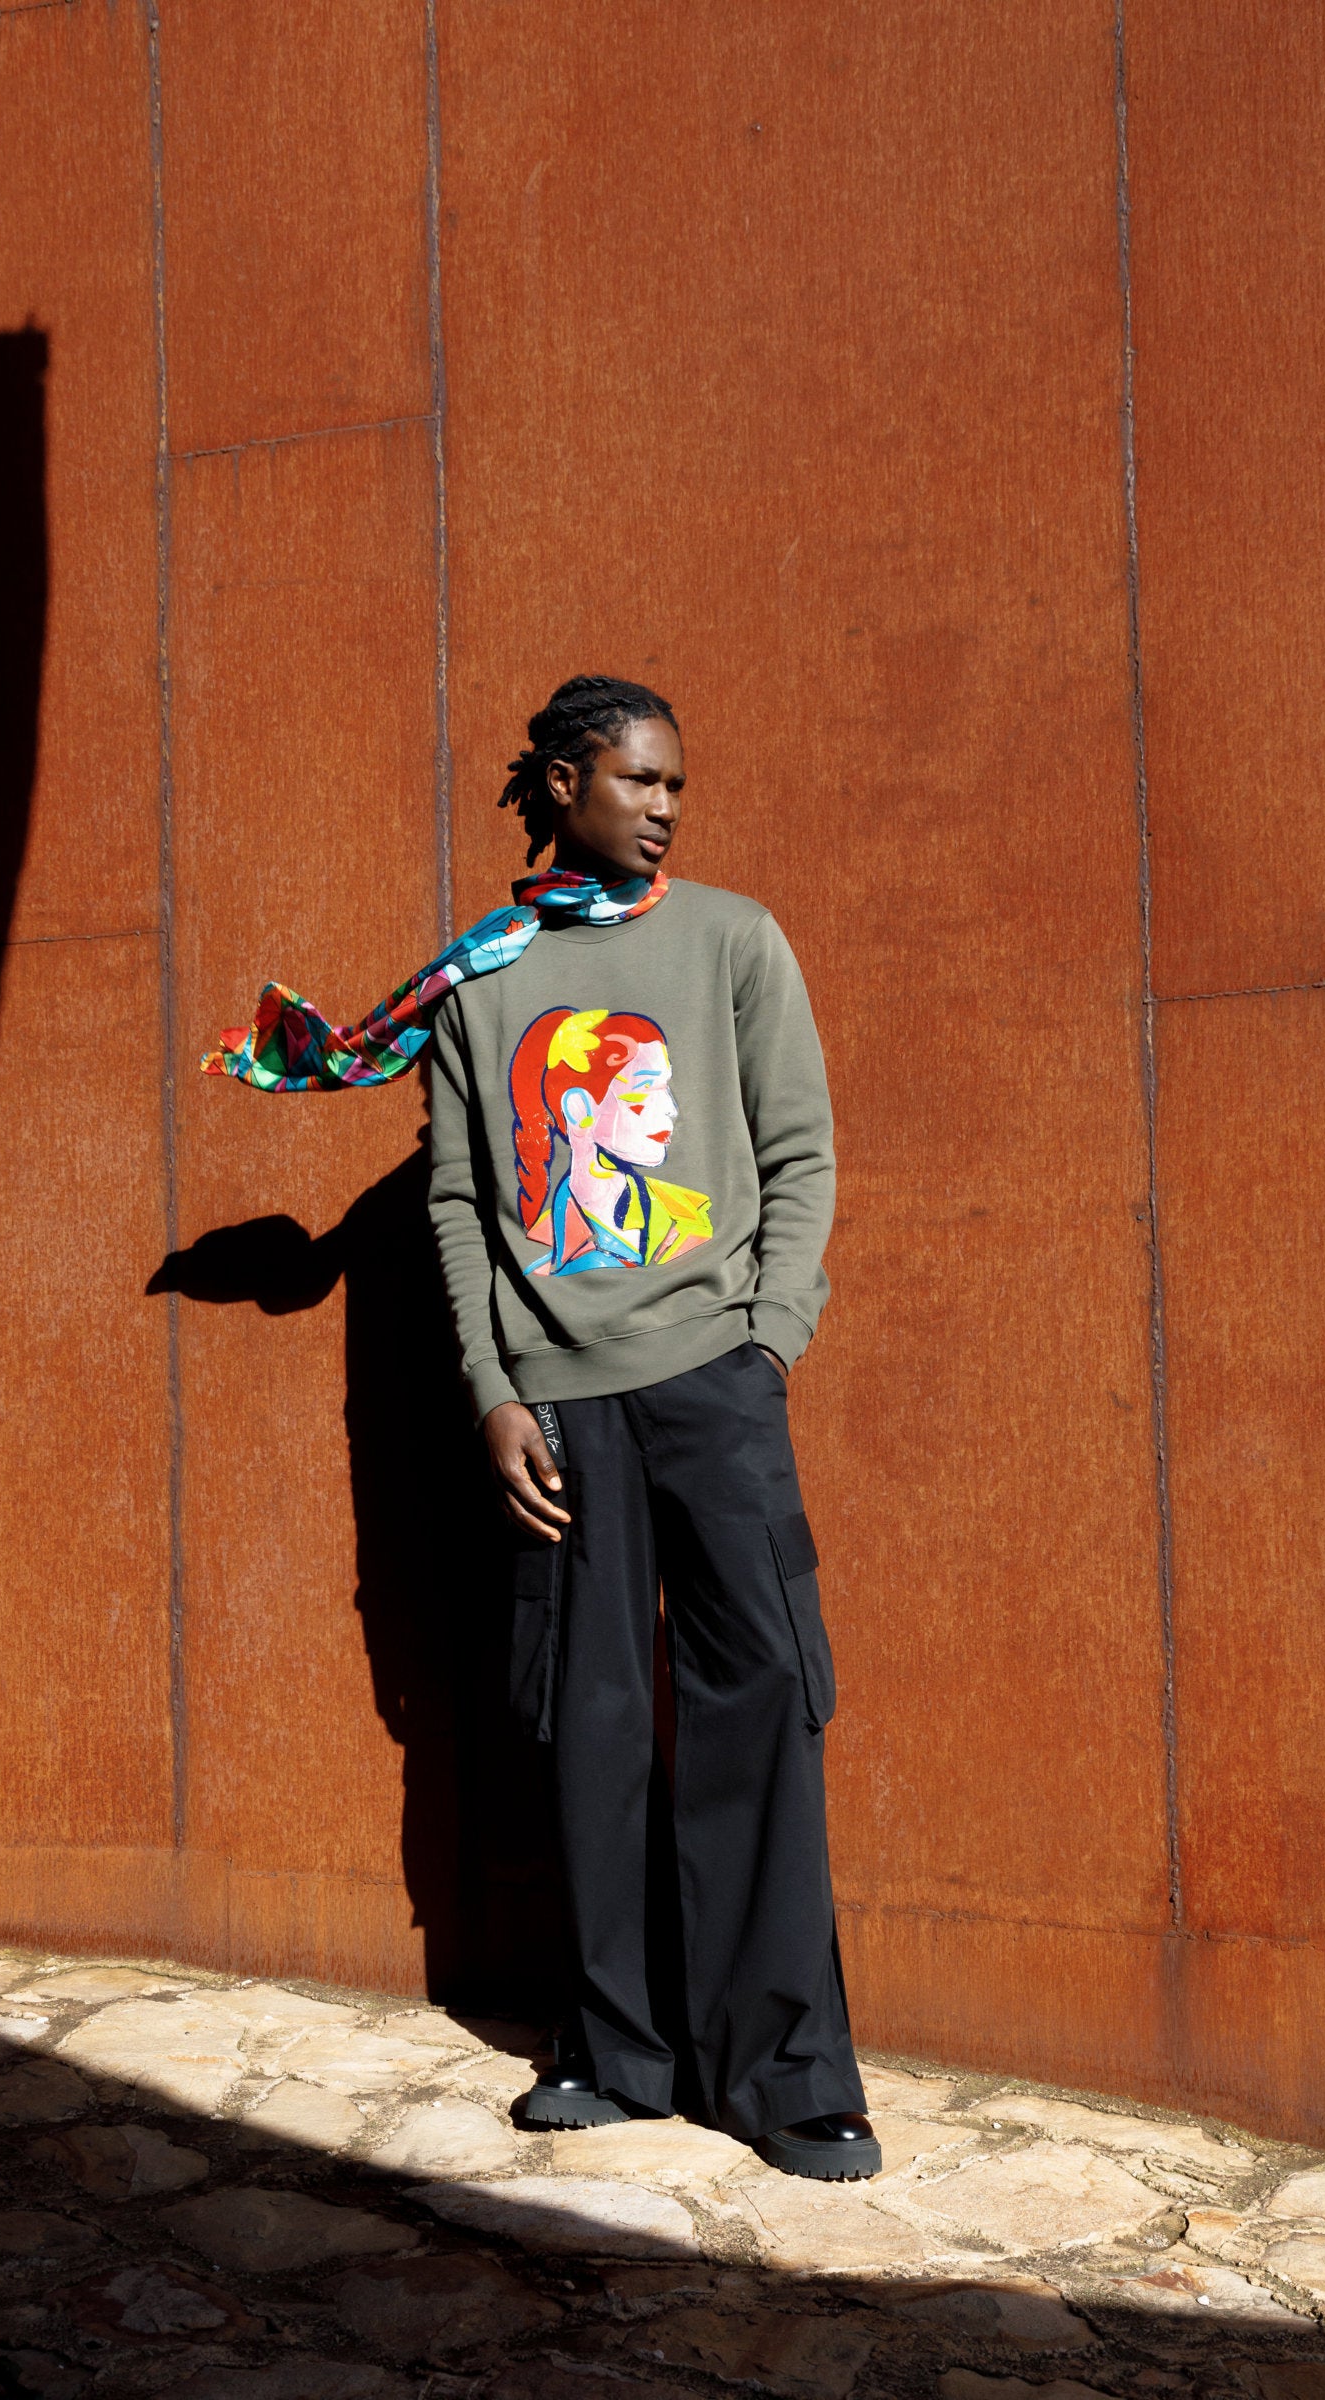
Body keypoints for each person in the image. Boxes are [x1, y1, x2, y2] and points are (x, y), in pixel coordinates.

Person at [204, 674, 877, 2180]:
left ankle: (787, 2072)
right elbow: (456, 1204)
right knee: (589, 1724)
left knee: (761, 1698)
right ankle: (621, 2052)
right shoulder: (483, 981)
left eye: (677, 790)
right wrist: (497, 1392)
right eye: (640, 781)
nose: (664, 808)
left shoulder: (732, 941)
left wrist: (765, 1344)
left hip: (714, 1383)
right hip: (559, 1403)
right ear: (566, 783)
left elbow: (802, 1151)